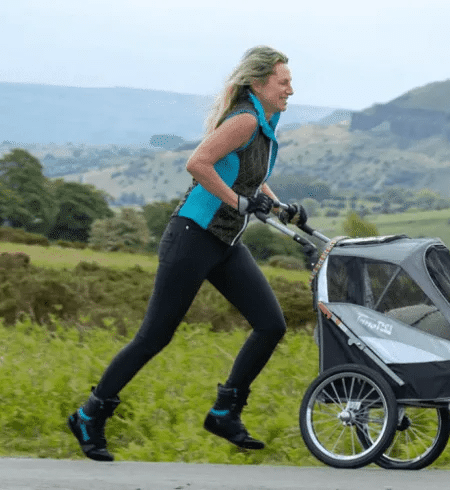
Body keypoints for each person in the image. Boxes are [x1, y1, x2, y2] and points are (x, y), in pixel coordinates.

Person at [68, 45, 307, 462]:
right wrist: (238, 203)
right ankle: (90, 414)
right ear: (259, 83)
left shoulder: (267, 122)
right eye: (284, 82)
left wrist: (281, 206)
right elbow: (198, 164)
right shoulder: (246, 119)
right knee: (154, 336)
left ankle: (224, 412)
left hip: (225, 243)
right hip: (192, 236)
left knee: (270, 324)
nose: (291, 89)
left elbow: (249, 179)